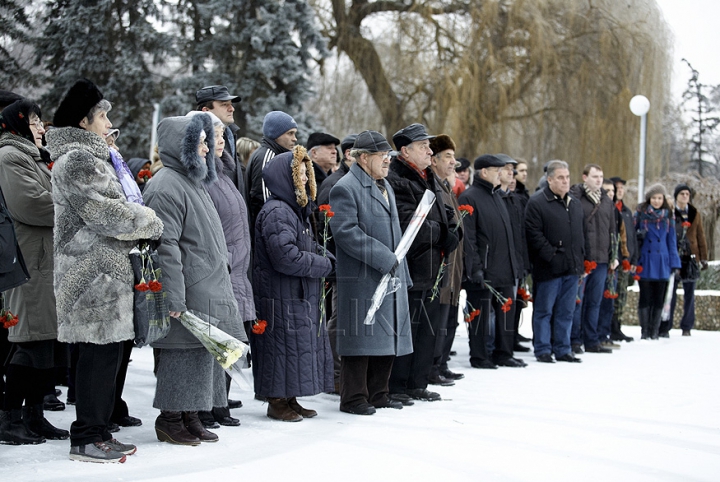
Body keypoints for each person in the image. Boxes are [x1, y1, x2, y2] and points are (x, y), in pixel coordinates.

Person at [46, 78, 163, 463]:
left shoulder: (93, 156)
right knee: (98, 355)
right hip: (90, 273)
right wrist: (150, 221)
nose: (108, 120)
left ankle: (97, 431)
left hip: (105, 272)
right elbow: (105, 212)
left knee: (108, 353)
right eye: (102, 114)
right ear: (83, 121)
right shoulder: (78, 160)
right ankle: (86, 436)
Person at [143, 113, 247, 445]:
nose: (206, 148)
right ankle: (170, 418)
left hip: (205, 283)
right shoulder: (165, 185)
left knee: (203, 354)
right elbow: (166, 245)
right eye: (201, 142)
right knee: (182, 353)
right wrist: (173, 295)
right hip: (187, 286)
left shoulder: (193, 181)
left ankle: (191, 415)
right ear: (182, 145)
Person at [329, 130, 413, 415]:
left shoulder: (383, 185)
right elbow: (345, 232)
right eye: (382, 156)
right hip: (363, 276)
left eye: (388, 156)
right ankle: (353, 398)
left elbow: (397, 232)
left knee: (384, 336)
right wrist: (383, 258)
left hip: (388, 274)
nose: (388, 161)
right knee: (361, 340)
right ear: (363, 158)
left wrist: (402, 271)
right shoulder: (346, 187)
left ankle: (378, 393)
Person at [0, 99, 69, 444]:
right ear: (18, 123)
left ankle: (34, 415)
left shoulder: (34, 157)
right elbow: (32, 205)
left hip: (45, 261)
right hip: (29, 263)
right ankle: (9, 417)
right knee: (28, 342)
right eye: (36, 121)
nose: (42, 128)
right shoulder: (10, 156)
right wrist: (70, 202)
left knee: (43, 343)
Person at [252, 145, 334, 421]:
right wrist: (323, 265)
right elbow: (286, 257)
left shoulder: (294, 210)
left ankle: (290, 396)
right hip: (278, 293)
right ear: (285, 178)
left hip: (293, 292)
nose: (307, 179)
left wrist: (326, 256)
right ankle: (276, 400)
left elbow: (307, 245)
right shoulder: (277, 211)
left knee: (293, 346)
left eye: (306, 174)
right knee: (279, 346)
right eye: (300, 174)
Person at [186, 110, 251, 426]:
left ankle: (218, 402)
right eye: (214, 135)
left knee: (228, 339)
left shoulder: (224, 174)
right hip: (215, 272)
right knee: (213, 339)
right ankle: (205, 405)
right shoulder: (201, 177)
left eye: (224, 135)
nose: (221, 141)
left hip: (235, 271)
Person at [386, 123, 459, 402]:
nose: (430, 151)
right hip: (412, 265)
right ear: (405, 151)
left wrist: (452, 229)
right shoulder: (399, 178)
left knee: (426, 329)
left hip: (431, 265)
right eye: (423, 146)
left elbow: (443, 211)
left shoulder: (427, 175)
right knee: (409, 328)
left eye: (429, 146)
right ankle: (399, 385)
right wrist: (443, 233)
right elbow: (409, 223)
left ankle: (418, 381)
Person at [459, 154, 524, 369]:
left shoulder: (498, 196)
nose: (502, 175)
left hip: (504, 267)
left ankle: (503, 353)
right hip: (483, 269)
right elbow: (468, 237)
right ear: (484, 172)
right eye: (497, 171)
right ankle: (479, 356)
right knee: (480, 315)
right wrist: (475, 268)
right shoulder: (470, 197)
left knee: (506, 311)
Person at [525, 160, 584, 363]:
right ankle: (542, 348)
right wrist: (551, 255)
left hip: (571, 267)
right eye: (560, 177)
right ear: (549, 179)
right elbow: (533, 234)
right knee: (544, 310)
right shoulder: (537, 203)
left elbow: (580, 234)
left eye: (567, 177)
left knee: (566, 311)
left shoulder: (574, 204)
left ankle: (563, 348)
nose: (565, 181)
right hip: (548, 268)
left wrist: (582, 259)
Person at [317, 133, 357, 392]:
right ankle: (335, 374)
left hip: (353, 263)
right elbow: (325, 225)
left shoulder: (355, 180)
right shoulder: (335, 183)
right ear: (349, 154)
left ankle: (345, 371)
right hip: (339, 262)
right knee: (338, 320)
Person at [428, 134, 465, 384]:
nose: (453, 162)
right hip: (440, 266)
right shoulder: (433, 187)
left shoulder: (445, 186)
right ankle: (431, 366)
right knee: (436, 322)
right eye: (448, 157)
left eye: (454, 157)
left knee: (449, 319)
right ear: (435, 160)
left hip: (454, 267)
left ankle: (441, 363)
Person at [569, 164, 617, 354]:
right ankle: (574, 339)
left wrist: (614, 256)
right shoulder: (576, 198)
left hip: (602, 259)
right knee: (577, 300)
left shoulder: (606, 201)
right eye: (595, 176)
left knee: (595, 301)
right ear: (585, 177)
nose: (599, 180)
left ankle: (591, 339)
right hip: (583, 259)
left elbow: (612, 231)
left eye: (601, 176)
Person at [635, 184, 681, 339]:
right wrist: (638, 236)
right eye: (654, 198)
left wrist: (674, 263)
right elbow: (631, 236)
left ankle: (655, 331)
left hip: (663, 261)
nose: (656, 201)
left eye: (659, 198)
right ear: (649, 199)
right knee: (645, 296)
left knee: (659, 297)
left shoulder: (668, 217)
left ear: (663, 199)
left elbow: (672, 241)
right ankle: (645, 331)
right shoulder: (640, 215)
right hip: (645, 260)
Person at [496, 153, 531, 353]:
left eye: (513, 170)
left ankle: (508, 345)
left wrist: (524, 262)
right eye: (509, 170)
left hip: (516, 261)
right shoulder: (496, 198)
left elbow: (521, 234)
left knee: (513, 305)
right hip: (498, 263)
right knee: (499, 310)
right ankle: (497, 348)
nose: (513, 174)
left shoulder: (515, 199)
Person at [666, 184, 708, 337]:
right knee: (671, 292)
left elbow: (700, 235)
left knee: (690, 293)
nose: (684, 196)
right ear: (676, 195)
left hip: (691, 256)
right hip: (675, 255)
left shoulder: (695, 213)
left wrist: (703, 257)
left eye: (687, 194)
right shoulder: (670, 211)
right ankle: (667, 324)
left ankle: (687, 326)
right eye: (682, 194)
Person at [246, 111, 298, 232]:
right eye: (290, 133)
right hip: (272, 232)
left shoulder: (278, 155)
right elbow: (264, 201)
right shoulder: (267, 156)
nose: (295, 139)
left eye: (295, 133)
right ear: (275, 134)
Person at [195, 85, 245, 194]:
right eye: (224, 104)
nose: (232, 108)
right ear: (206, 110)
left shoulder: (230, 134)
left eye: (231, 104)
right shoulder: (197, 143)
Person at [609, 177, 637, 342]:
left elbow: (631, 236)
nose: (619, 191)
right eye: (616, 188)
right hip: (614, 259)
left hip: (625, 258)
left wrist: (633, 258)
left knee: (622, 295)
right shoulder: (610, 209)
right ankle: (609, 327)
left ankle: (617, 326)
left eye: (621, 188)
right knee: (611, 294)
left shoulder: (626, 211)